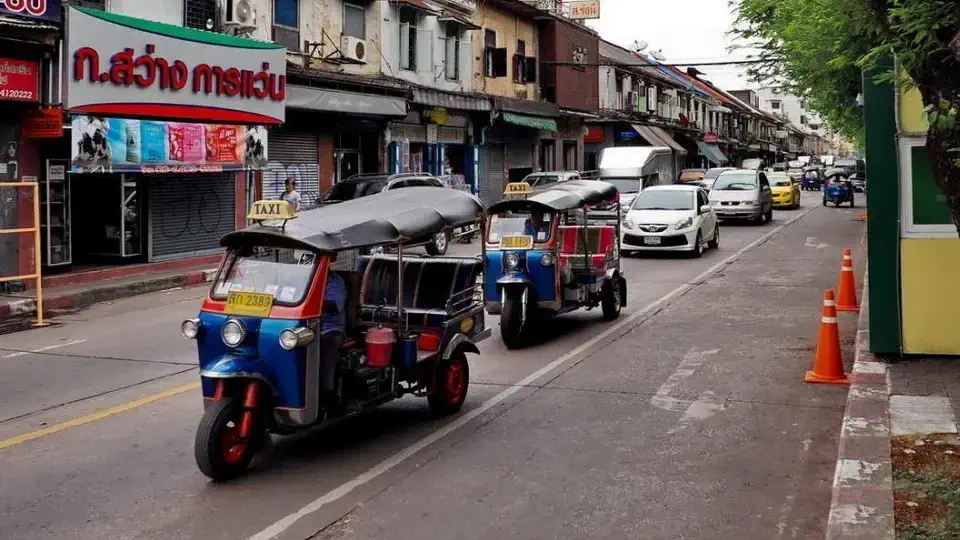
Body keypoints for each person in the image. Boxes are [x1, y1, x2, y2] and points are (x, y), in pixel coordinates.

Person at [318, 264, 347, 408]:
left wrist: (313, 300)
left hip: (331, 329)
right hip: (308, 327)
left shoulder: (335, 282)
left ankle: (326, 391)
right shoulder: (305, 281)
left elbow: (334, 305)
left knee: (327, 344)